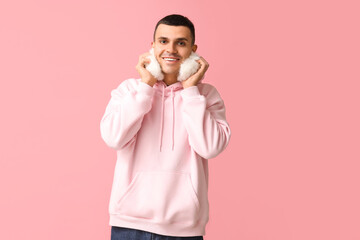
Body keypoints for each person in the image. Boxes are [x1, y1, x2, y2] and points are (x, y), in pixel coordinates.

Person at [100, 14, 231, 240]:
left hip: (184, 229)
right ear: (152, 46)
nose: (170, 49)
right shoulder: (128, 90)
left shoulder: (206, 96)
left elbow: (210, 148)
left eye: (181, 43)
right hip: (129, 225)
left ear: (193, 49)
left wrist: (190, 92)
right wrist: (146, 87)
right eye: (163, 41)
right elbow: (113, 138)